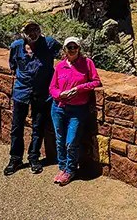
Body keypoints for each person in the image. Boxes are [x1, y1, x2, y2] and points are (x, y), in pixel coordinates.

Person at [5, 20, 62, 176]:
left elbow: (65, 55)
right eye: (29, 30)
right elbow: (12, 65)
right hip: (21, 91)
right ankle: (15, 159)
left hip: (42, 93)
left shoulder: (49, 43)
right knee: (17, 127)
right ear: (23, 32)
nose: (33, 33)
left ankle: (34, 157)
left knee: (38, 127)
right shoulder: (16, 46)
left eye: (36, 29)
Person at [49, 36, 102, 185]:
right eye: (69, 47)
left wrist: (78, 89)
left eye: (75, 47)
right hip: (58, 107)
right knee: (60, 139)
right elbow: (52, 87)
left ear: (79, 49)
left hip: (77, 109)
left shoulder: (87, 63)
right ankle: (62, 168)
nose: (72, 50)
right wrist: (59, 95)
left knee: (71, 141)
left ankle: (70, 170)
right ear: (65, 49)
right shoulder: (60, 66)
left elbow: (96, 81)